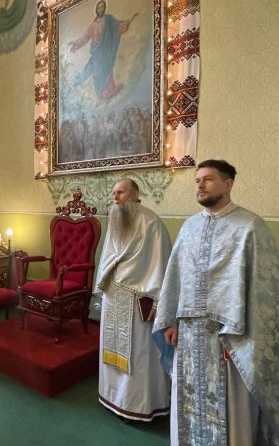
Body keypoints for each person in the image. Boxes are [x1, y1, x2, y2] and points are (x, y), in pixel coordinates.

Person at [152, 159, 279, 446]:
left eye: (208, 179)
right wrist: (171, 320)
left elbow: (264, 291)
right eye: (197, 180)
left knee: (231, 412)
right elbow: (175, 277)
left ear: (228, 184)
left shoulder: (250, 227)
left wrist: (246, 337)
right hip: (189, 336)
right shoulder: (190, 227)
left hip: (229, 338)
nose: (200, 185)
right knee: (189, 400)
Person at [94, 178, 172, 422]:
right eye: (114, 193)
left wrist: (159, 300)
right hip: (114, 295)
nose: (115, 197)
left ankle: (137, 406)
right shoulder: (116, 219)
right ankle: (112, 398)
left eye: (121, 192)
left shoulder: (152, 223)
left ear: (135, 194)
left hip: (138, 298)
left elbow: (161, 263)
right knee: (111, 348)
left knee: (139, 355)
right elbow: (108, 257)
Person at [69, 0, 138, 101]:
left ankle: (110, 90)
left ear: (104, 8)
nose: (100, 9)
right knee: (97, 74)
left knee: (106, 70)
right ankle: (101, 95)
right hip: (97, 53)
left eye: (102, 7)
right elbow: (86, 37)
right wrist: (76, 43)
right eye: (99, 7)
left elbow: (118, 25)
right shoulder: (93, 25)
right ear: (96, 10)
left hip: (106, 52)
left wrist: (129, 20)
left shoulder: (109, 19)